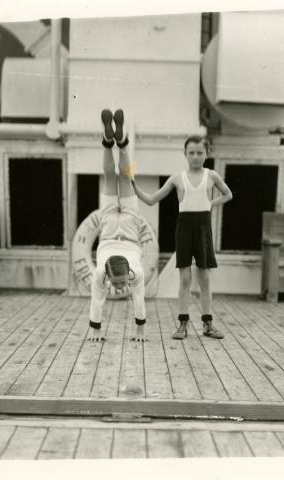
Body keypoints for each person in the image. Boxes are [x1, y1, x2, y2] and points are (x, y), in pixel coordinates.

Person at [132, 136, 233, 340]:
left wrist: (210, 204)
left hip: (203, 229)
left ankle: (207, 324)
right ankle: (183, 324)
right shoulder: (177, 178)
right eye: (191, 153)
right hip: (184, 230)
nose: (196, 157)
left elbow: (228, 194)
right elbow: (152, 200)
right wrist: (133, 185)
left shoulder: (211, 175)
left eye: (200, 152)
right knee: (185, 279)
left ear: (207, 153)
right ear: (185, 154)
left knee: (204, 280)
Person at [87, 109, 147, 342]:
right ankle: (114, 143)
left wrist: (96, 330)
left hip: (119, 230)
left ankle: (116, 143)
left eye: (119, 283)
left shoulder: (102, 273)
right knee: (118, 177)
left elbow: (97, 300)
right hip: (125, 230)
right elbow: (138, 298)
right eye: (121, 283)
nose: (121, 287)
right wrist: (139, 329)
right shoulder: (134, 273)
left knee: (116, 177)